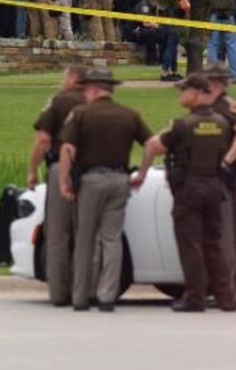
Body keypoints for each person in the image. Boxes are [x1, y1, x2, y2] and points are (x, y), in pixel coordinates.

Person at [134, 74, 235, 312]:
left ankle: (195, 297)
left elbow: (154, 146)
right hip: (214, 185)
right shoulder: (222, 123)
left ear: (197, 93)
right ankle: (225, 297)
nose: (180, 95)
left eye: (184, 91)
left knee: (190, 244)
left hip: (189, 187)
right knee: (214, 244)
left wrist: (142, 172)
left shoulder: (182, 125)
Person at [58, 67, 153, 311]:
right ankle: (107, 295)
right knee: (112, 239)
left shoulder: (81, 113)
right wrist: (142, 172)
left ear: (93, 89)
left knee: (85, 239)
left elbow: (67, 149)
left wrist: (63, 181)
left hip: (91, 181)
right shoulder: (129, 114)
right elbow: (151, 145)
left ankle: (81, 296)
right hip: (119, 180)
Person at [26, 65, 87, 305]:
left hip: (62, 168)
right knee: (87, 232)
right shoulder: (99, 101)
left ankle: (60, 292)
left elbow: (43, 139)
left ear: (73, 78)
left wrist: (32, 169)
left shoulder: (60, 102)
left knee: (58, 234)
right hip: (93, 171)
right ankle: (87, 289)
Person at [201, 63, 236, 298]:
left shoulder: (228, 106)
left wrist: (227, 161)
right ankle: (214, 286)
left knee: (224, 234)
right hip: (209, 175)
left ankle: (226, 289)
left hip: (225, 176)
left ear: (214, 83)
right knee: (213, 233)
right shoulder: (207, 106)